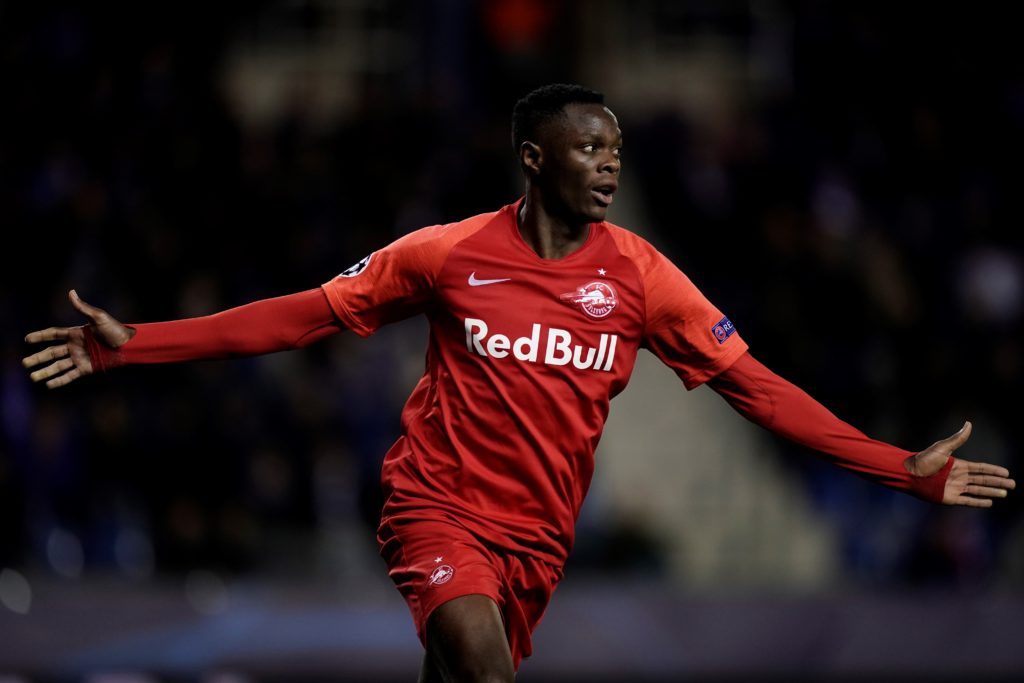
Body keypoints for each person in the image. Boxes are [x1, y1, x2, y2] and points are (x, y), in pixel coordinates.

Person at [23, 84, 1015, 683]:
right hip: (436, 508)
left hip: (539, 537)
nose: (607, 166)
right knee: (479, 661)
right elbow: (301, 314)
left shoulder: (642, 274)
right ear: (534, 159)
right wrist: (135, 343)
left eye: (616, 153)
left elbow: (756, 388)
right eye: (588, 149)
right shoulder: (446, 254)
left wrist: (899, 468)